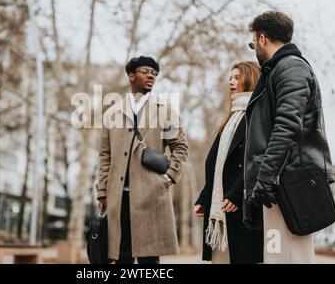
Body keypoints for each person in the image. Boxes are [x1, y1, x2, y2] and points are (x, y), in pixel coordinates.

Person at [245, 11, 335, 263]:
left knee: (292, 257)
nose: (254, 49)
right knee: (280, 256)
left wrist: (265, 177)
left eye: (253, 43)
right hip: (283, 181)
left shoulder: (290, 67)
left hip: (290, 183)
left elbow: (286, 127)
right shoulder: (280, 69)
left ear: (262, 38)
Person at [96, 56, 189, 264]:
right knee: (121, 257)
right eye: (146, 71)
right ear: (131, 75)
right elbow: (105, 155)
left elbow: (181, 148)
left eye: (155, 74)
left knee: (149, 260)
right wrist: (102, 190)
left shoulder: (165, 110)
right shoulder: (112, 113)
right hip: (118, 198)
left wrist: (168, 178)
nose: (151, 76)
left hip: (151, 196)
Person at [194, 61, 263, 264]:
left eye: (236, 77)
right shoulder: (231, 117)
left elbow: (256, 159)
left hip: (240, 203)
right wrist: (204, 198)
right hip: (221, 208)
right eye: (230, 77)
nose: (230, 81)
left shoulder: (256, 114)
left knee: (243, 257)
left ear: (250, 78)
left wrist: (236, 193)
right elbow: (217, 164)